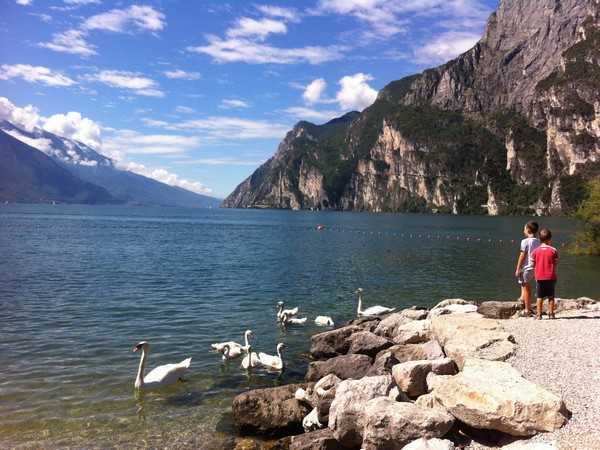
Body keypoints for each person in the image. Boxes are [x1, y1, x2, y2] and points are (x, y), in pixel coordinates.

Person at [532, 228, 559, 320]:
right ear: (550, 239)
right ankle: (551, 314)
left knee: (539, 297)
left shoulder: (535, 251)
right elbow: (556, 263)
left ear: (539, 239)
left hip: (539, 277)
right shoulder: (553, 250)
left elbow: (532, 264)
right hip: (551, 276)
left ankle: (539, 315)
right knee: (551, 296)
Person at [514, 221, 540, 316]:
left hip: (527, 268)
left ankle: (527, 310)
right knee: (525, 285)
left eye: (524, 228)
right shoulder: (538, 241)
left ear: (528, 230)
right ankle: (522, 299)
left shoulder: (525, 241)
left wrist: (518, 268)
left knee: (526, 288)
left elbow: (522, 255)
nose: (523, 230)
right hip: (535, 268)